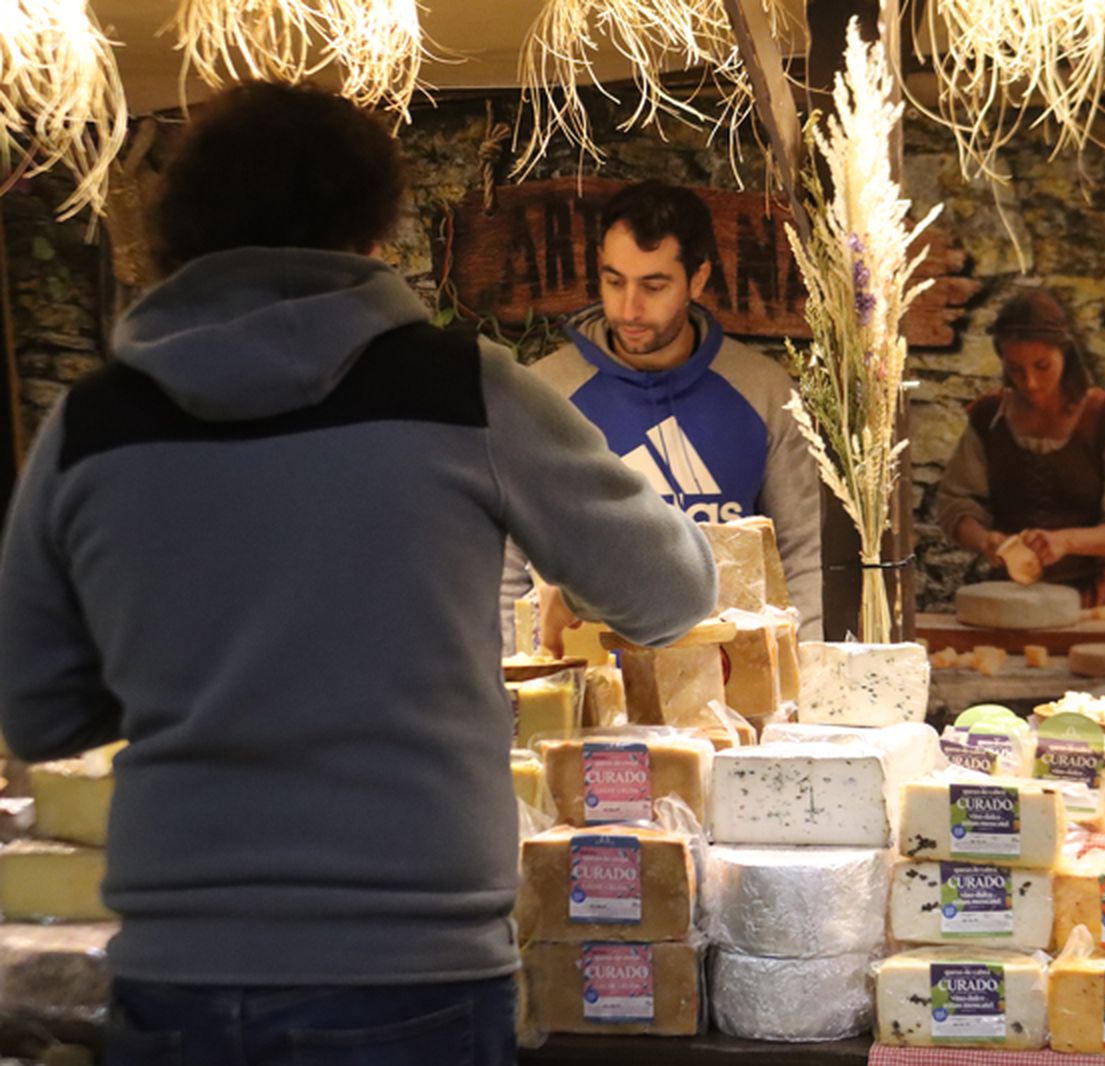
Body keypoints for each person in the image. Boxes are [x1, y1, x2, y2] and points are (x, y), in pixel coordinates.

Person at [0, 82, 717, 1066]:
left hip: (182, 970)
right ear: (373, 230)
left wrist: (193, 665)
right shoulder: (465, 391)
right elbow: (671, 591)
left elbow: (36, 709)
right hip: (412, 967)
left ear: (179, 231)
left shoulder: (91, 424)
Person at [500, 180, 822, 648]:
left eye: (653, 286)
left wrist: (803, 686)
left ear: (697, 279)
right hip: (586, 693)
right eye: (614, 281)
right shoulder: (543, 395)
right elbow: (505, 570)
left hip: (733, 688)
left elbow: (803, 560)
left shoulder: (765, 392)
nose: (629, 308)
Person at [936, 289, 1105, 610]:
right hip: (1011, 602)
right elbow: (957, 504)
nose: (1030, 383)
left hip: (1093, 605)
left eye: (1042, 366)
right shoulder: (988, 419)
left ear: (1065, 354)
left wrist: (1065, 542)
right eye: (1015, 369)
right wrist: (987, 540)